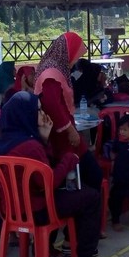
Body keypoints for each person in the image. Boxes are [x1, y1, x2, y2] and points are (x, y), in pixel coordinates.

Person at [0, 91, 109, 257]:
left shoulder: (4, 141)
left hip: (11, 210)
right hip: (36, 210)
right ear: (26, 114)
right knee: (90, 197)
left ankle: (66, 245)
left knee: (76, 195)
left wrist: (44, 139)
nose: (44, 114)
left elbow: (39, 173)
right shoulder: (30, 146)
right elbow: (49, 183)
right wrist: (69, 159)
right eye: (38, 110)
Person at [34, 32, 102, 190]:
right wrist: (70, 130)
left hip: (61, 130)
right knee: (92, 175)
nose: (77, 60)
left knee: (80, 176)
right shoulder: (51, 73)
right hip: (60, 135)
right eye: (77, 56)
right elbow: (53, 105)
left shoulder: (55, 68)